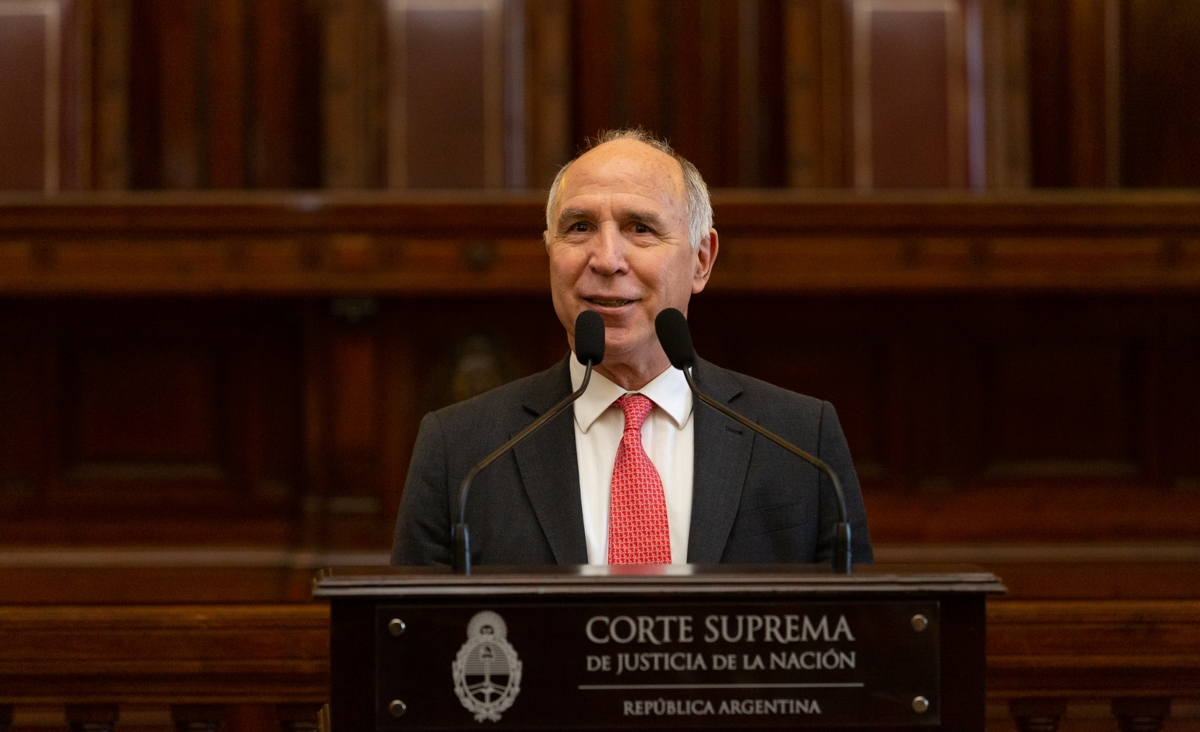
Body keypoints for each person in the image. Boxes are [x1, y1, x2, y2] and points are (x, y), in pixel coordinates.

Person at [392, 129, 872, 567]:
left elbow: (859, 640)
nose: (606, 259)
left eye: (640, 228)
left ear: (701, 260)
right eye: (578, 227)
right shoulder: (463, 452)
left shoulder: (801, 442)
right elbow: (411, 649)